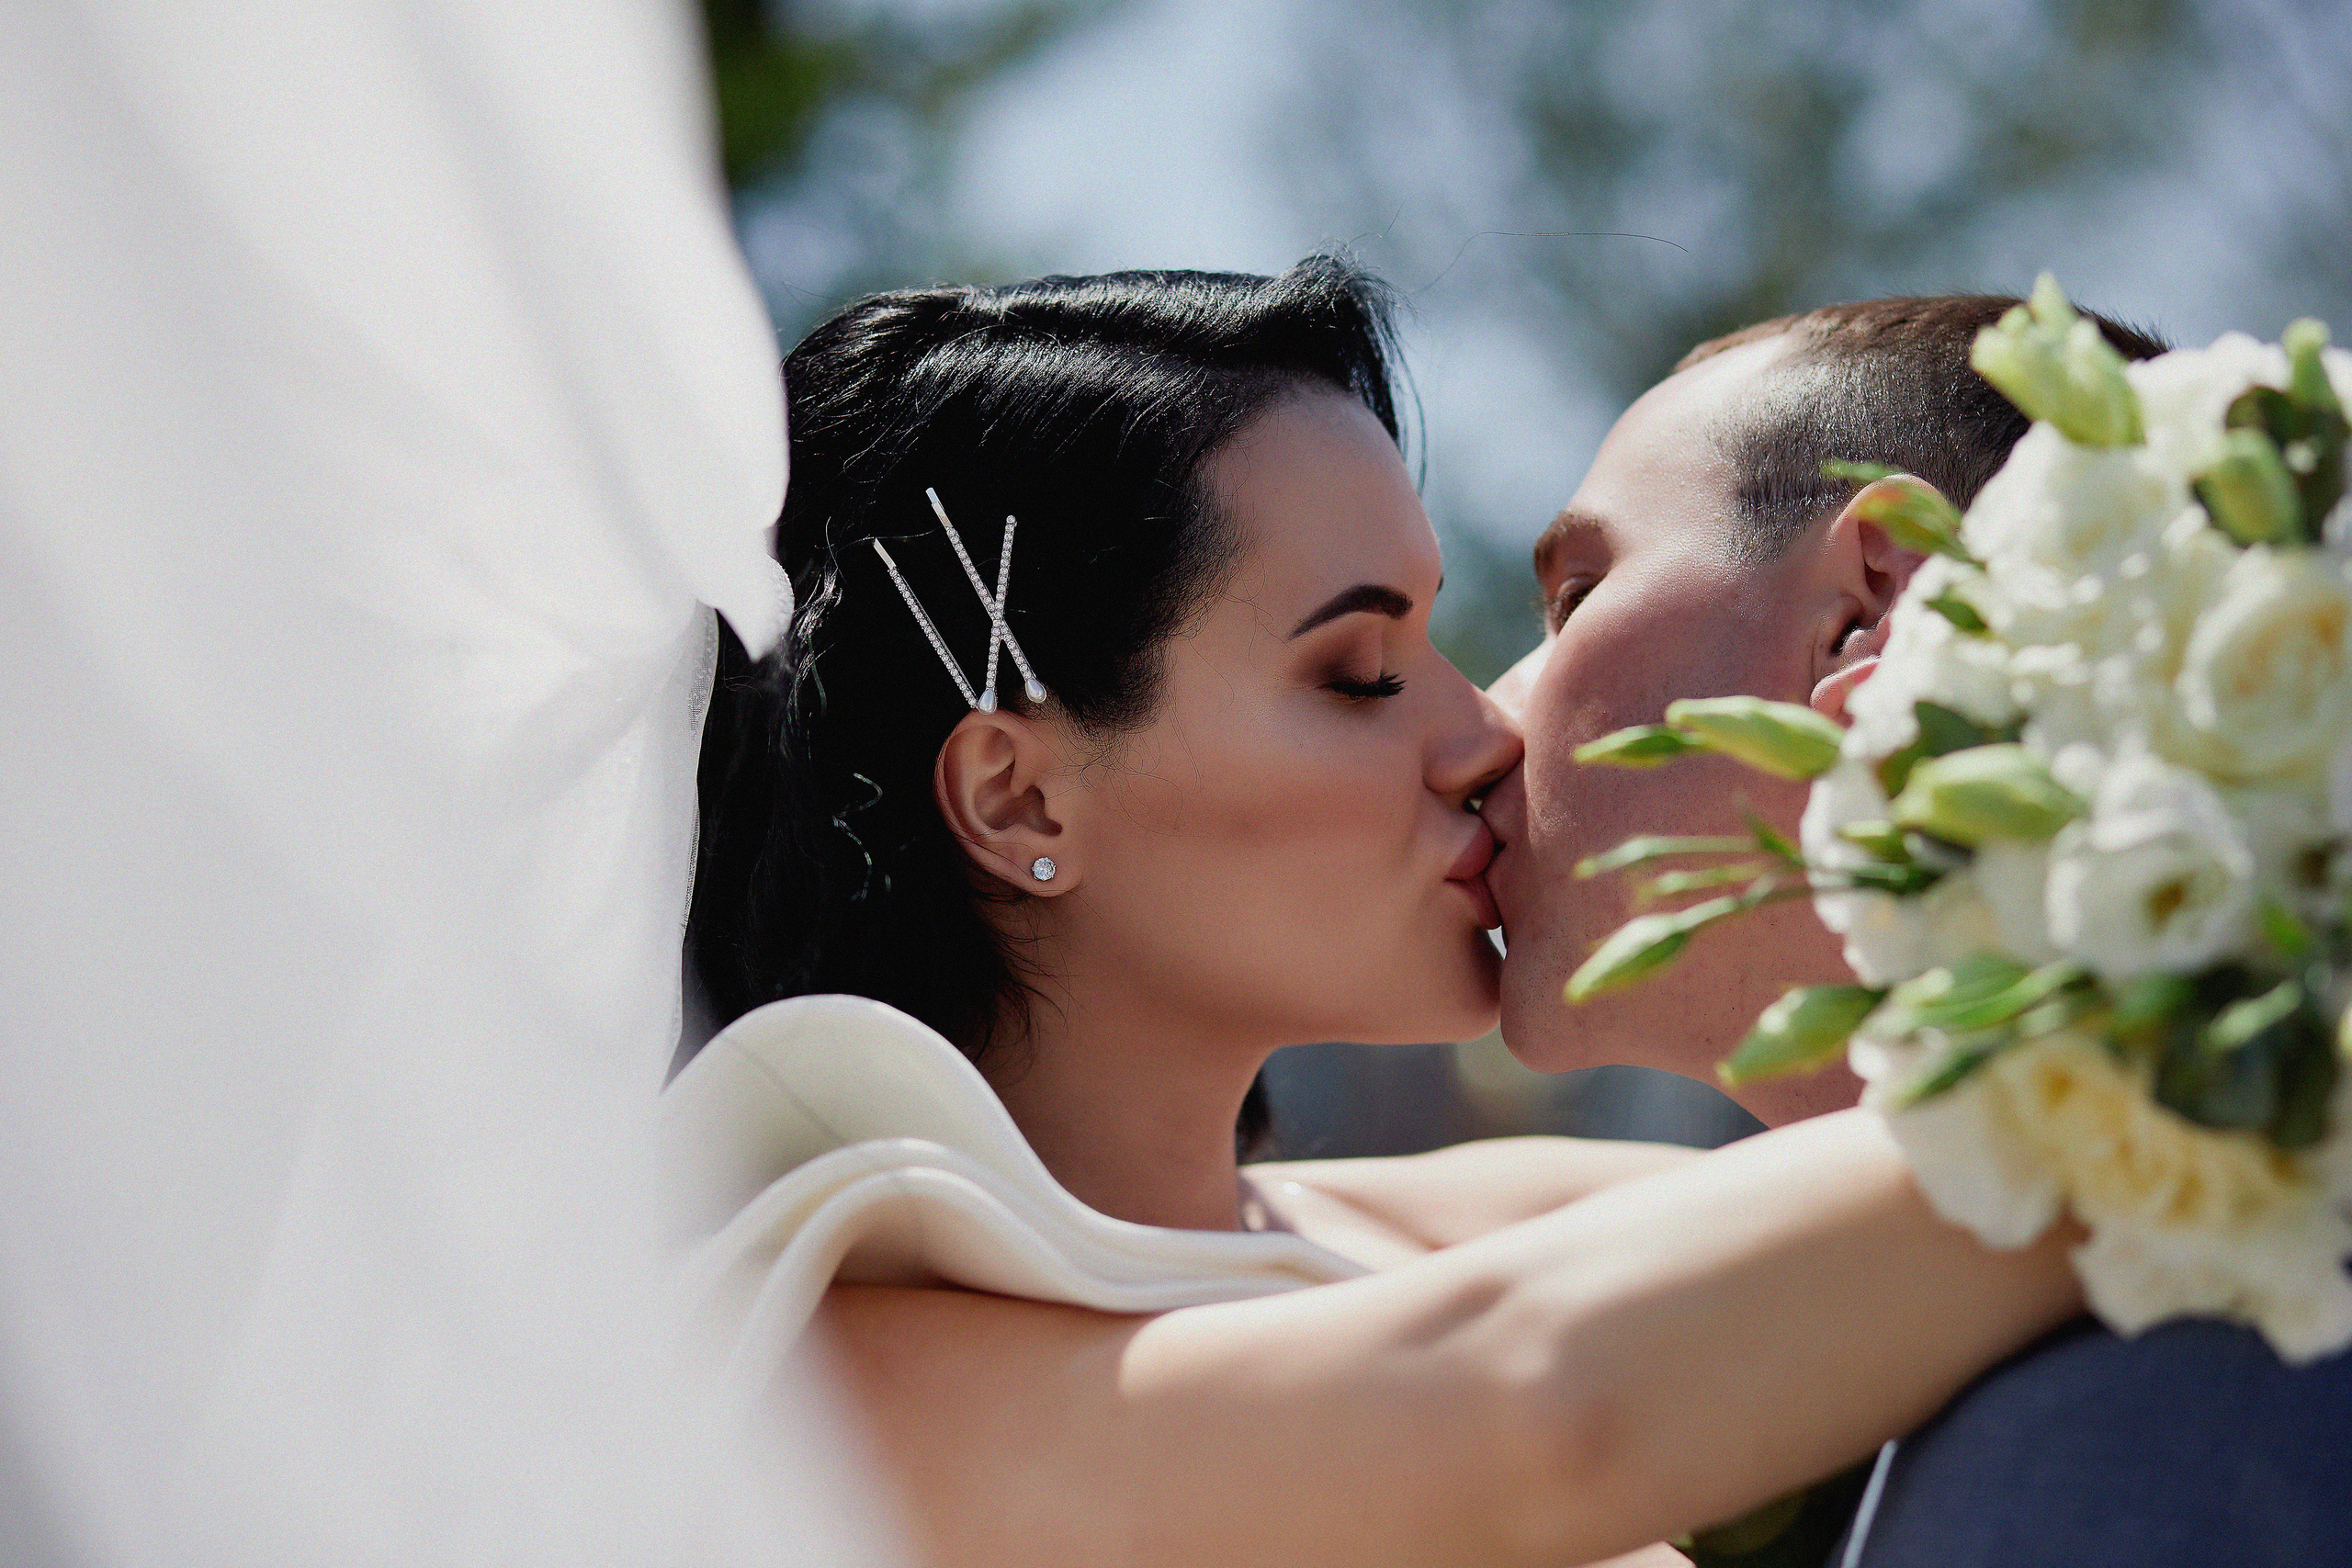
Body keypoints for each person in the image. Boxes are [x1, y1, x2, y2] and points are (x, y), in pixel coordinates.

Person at [675, 262, 2086, 1568]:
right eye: (1358, 671)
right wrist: (2211, 1006)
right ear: (1021, 799)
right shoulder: (813, 1373)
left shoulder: (1478, 1228)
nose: (1486, 731)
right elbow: (1545, 1415)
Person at [1482, 295, 2352, 1565]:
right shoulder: (2040, 1304)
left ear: (1870, 610)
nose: (1482, 723)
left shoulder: (2188, 1393)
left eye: (1573, 595)